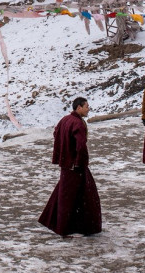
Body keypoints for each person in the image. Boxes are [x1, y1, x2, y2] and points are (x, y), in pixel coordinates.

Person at [39, 97, 102, 237]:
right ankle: (70, 227)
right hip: (76, 166)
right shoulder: (77, 123)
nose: (88, 109)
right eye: (86, 106)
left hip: (67, 164)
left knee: (65, 194)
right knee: (77, 196)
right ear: (78, 108)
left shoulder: (65, 119)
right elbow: (80, 146)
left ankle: (61, 224)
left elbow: (56, 133)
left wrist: (63, 152)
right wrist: (79, 161)